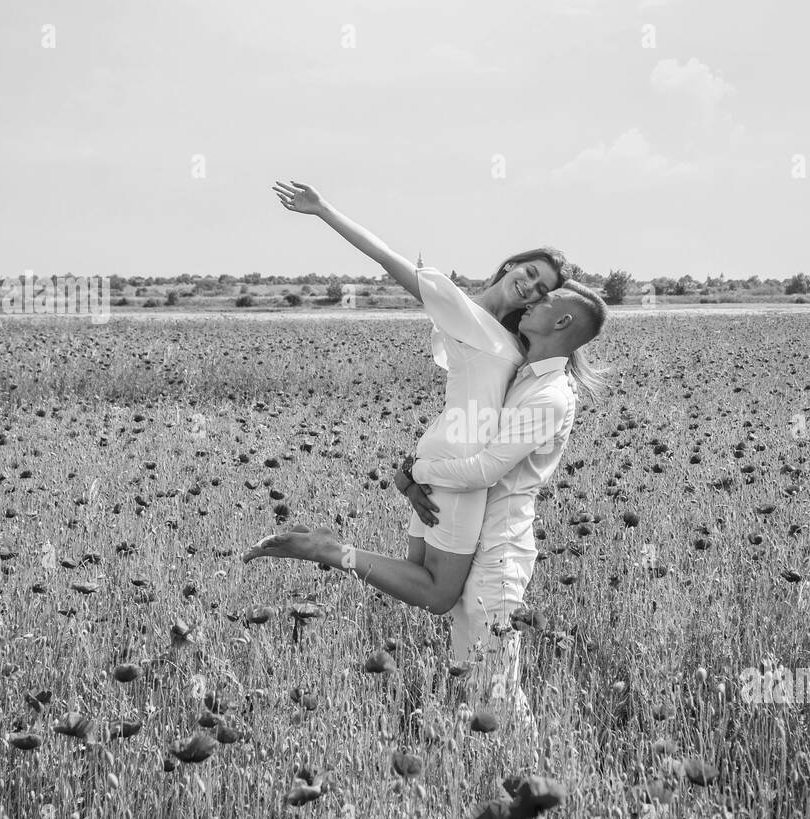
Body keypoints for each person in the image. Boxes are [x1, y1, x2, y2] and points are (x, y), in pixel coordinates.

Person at [251, 284, 610, 730]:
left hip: (498, 546)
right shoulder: (520, 371)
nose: (531, 304)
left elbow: (485, 470)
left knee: (494, 680)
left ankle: (527, 774)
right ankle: (330, 551)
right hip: (465, 520)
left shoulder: (550, 394)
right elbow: (460, 423)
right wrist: (410, 474)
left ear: (561, 323)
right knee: (442, 614)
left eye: (543, 303)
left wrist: (419, 472)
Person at [243, 179, 566, 617]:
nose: (532, 287)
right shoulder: (459, 309)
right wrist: (324, 210)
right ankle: (327, 551)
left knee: (413, 574)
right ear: (511, 264)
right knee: (437, 595)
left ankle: (329, 549)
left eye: (543, 288)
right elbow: (385, 257)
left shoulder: (513, 335)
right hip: (464, 461)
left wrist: (413, 470)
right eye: (529, 272)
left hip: (442, 449)